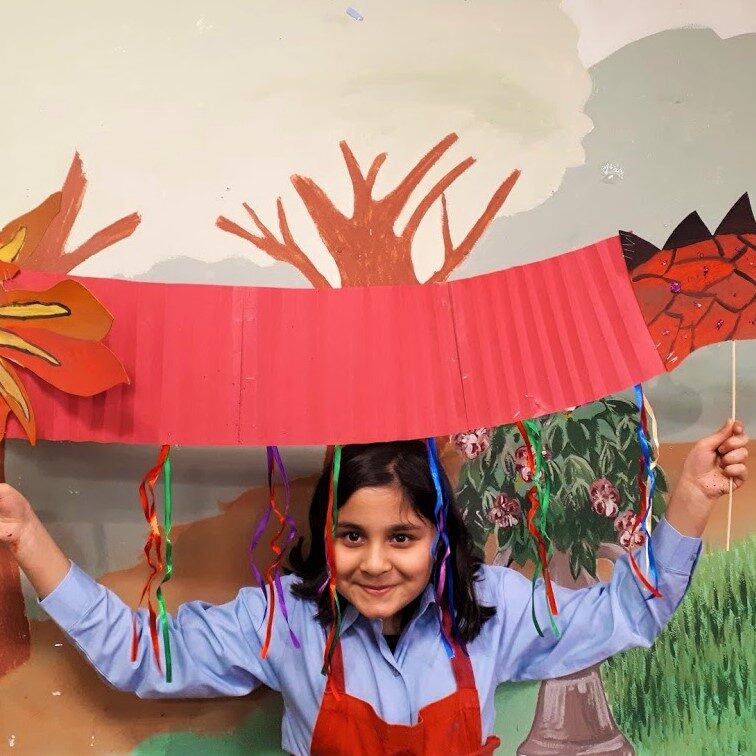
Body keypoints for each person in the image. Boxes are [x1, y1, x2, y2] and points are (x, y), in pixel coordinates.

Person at [0, 420, 749, 755]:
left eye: (403, 538)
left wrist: (689, 497)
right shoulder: (283, 622)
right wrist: (29, 535)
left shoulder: (497, 610)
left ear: (439, 539)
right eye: (352, 537)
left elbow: (632, 613)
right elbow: (139, 652)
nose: (376, 564)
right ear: (325, 535)